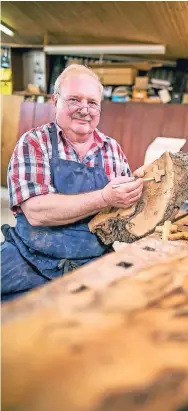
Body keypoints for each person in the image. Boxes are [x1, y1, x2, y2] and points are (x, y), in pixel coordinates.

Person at [1, 64, 144, 302]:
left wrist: (141, 197)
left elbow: (122, 217)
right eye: (74, 100)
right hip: (29, 257)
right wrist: (104, 198)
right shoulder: (35, 143)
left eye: (92, 102)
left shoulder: (112, 150)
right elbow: (37, 212)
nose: (84, 109)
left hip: (92, 261)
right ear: (55, 101)